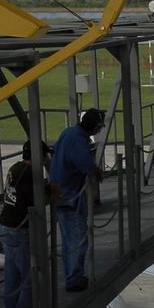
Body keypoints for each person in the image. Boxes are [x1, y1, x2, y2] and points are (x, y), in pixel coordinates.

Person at [0, 141, 51, 308]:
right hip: (19, 229)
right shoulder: (30, 174)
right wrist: (50, 190)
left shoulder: (16, 167)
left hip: (6, 226)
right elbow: (36, 201)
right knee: (29, 277)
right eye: (45, 155)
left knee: (13, 277)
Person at [50, 108, 104, 292]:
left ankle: (72, 274)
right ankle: (74, 278)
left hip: (60, 192)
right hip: (70, 195)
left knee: (68, 239)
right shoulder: (78, 139)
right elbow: (85, 164)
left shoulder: (69, 132)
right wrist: (96, 171)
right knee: (78, 238)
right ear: (95, 127)